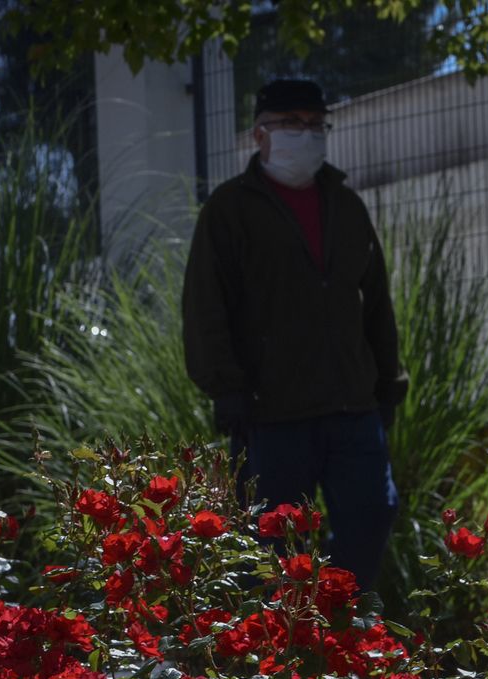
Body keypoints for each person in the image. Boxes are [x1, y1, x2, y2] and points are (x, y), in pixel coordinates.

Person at [181, 77, 408, 592]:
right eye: (291, 124)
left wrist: (387, 386)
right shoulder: (230, 209)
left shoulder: (347, 206)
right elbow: (204, 306)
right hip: (271, 411)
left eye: (314, 124)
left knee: (373, 513)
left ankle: (337, 623)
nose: (305, 135)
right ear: (259, 134)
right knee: (272, 542)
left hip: (352, 404)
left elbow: (376, 303)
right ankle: (281, 645)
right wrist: (227, 388)